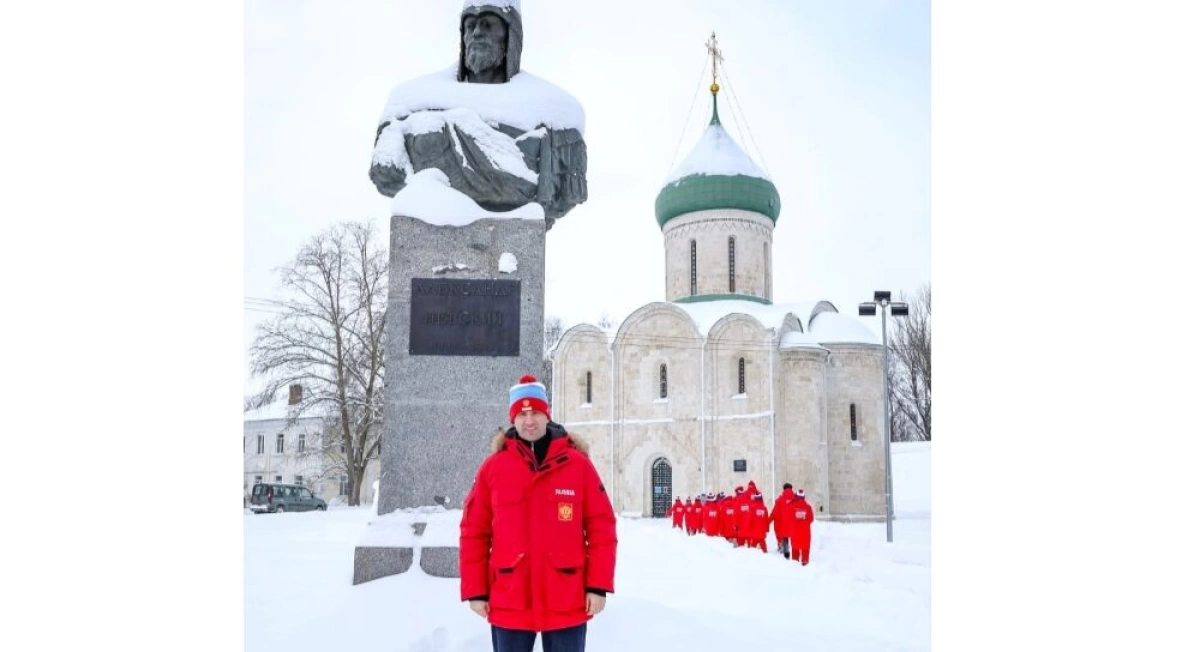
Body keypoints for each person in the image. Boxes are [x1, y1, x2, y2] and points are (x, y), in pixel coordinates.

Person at [460, 375, 618, 652]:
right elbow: (474, 531)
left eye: (535, 412)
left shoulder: (578, 466)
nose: (529, 420)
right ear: (513, 419)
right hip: (510, 597)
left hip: (567, 596)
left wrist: (597, 585)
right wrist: (476, 590)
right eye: (521, 414)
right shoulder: (493, 468)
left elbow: (602, 527)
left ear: (548, 414)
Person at [785, 488, 815, 565]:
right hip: (805, 532)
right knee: (805, 549)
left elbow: (788, 516)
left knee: (795, 548)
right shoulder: (808, 507)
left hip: (795, 532)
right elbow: (811, 519)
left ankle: (795, 564)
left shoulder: (792, 506)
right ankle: (805, 563)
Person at [769, 483, 796, 558]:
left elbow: (775, 512)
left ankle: (786, 552)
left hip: (784, 524)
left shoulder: (780, 500)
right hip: (794, 523)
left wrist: (768, 521)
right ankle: (795, 554)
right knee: (794, 538)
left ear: (783, 489)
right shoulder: (796, 499)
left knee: (785, 538)